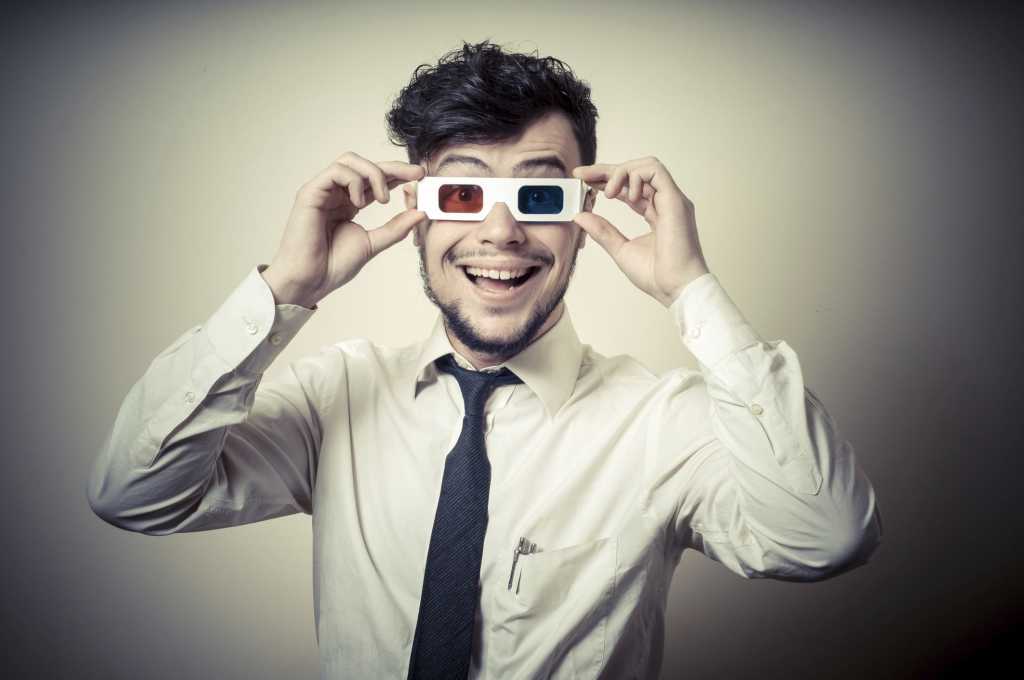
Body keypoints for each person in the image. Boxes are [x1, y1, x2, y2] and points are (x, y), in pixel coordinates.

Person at [87, 39, 883, 680]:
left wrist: (692, 290)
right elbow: (135, 492)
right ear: (417, 216)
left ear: (581, 221)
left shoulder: (659, 423)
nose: (501, 235)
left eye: (540, 197)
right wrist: (286, 290)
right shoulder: (338, 397)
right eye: (461, 195)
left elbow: (825, 536)